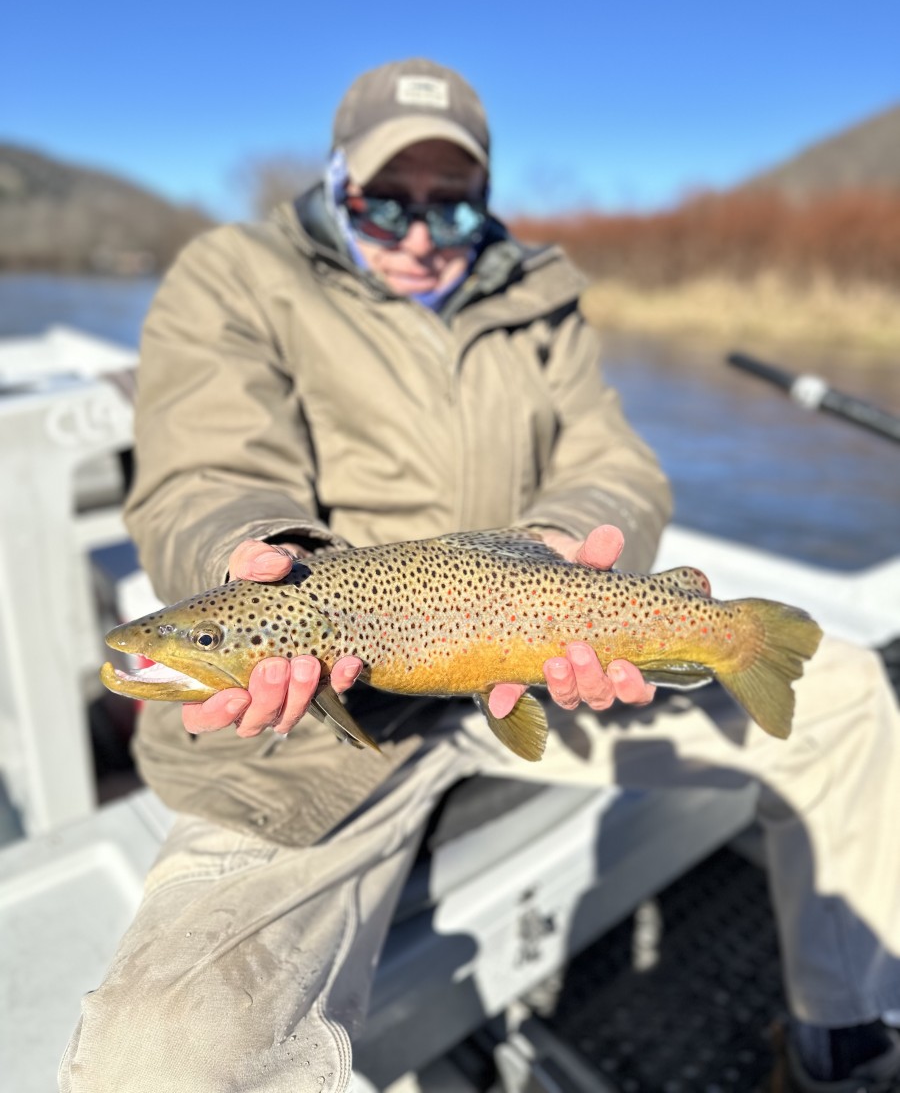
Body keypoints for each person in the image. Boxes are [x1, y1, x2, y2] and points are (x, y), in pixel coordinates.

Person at [60, 59, 900, 1093]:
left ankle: (842, 1052)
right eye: (386, 201)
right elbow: (204, 470)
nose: (421, 235)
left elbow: (613, 462)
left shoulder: (538, 298)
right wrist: (253, 548)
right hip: (314, 733)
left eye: (451, 206)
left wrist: (570, 535)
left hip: (533, 660)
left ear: (482, 201)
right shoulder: (233, 276)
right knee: (166, 1058)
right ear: (334, 182)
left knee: (850, 692)